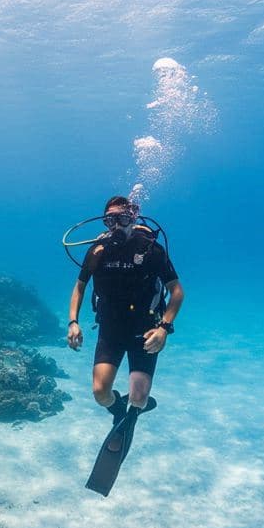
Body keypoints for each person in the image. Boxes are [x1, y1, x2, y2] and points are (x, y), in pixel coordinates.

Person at [67, 195, 183, 495]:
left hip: (146, 331)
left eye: (122, 218)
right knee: (99, 392)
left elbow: (177, 292)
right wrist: (73, 322)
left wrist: (164, 329)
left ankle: (134, 409)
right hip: (111, 330)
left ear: (134, 217)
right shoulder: (98, 251)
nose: (116, 225)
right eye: (110, 220)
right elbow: (79, 287)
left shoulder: (152, 250)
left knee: (140, 397)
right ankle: (121, 411)